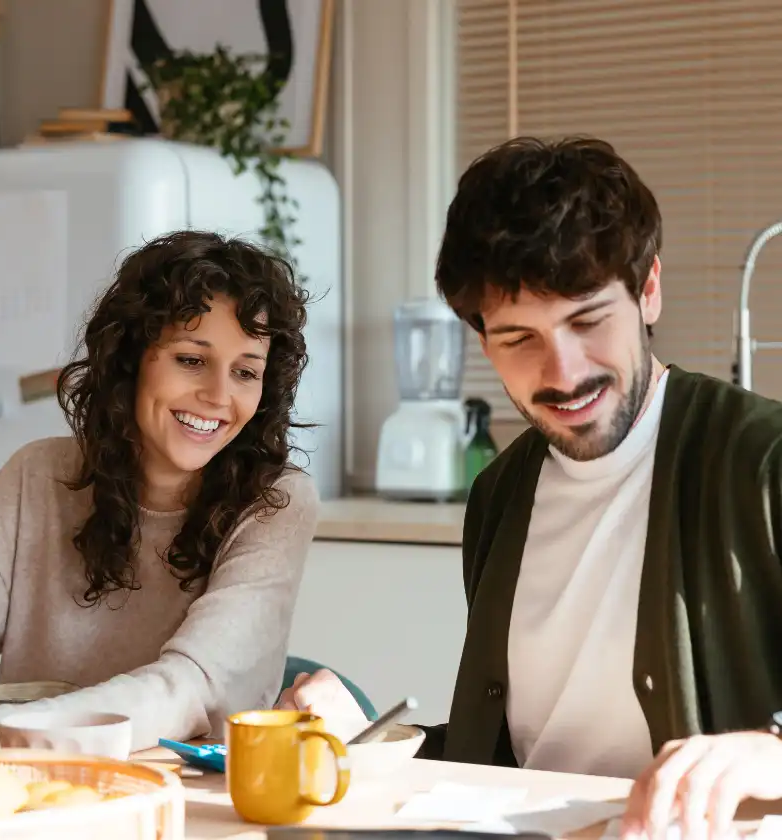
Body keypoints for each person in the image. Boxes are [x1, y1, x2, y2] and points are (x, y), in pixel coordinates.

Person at [277, 137, 782, 838]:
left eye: (587, 320)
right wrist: (372, 737)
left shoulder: (763, 462)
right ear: (483, 343)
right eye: (519, 338)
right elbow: (515, 762)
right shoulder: (500, 496)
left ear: (649, 290)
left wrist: (770, 756)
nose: (563, 370)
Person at [0, 230, 319, 752]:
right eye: (191, 360)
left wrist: (9, 734)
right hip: (38, 799)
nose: (218, 396)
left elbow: (190, 689)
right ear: (130, 360)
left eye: (245, 372)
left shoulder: (276, 503)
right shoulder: (35, 475)